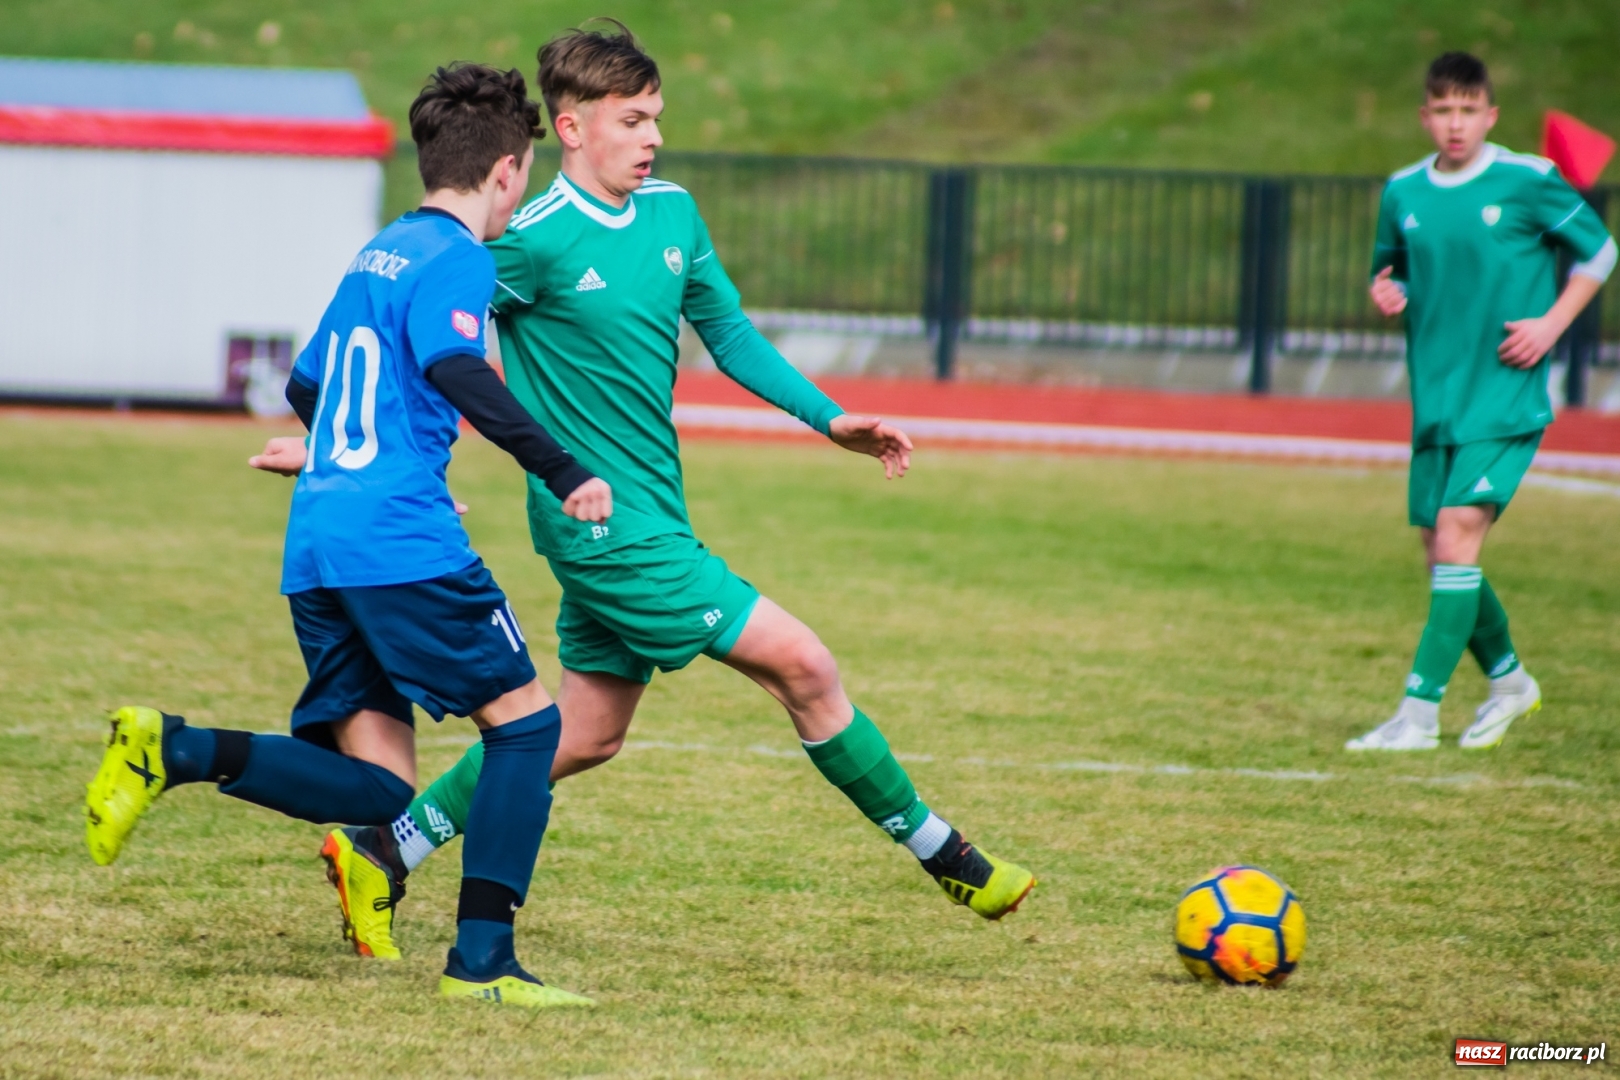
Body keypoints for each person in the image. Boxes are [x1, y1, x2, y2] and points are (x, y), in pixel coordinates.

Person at [321, 20, 1036, 960]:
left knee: (579, 734)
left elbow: (729, 335)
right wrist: (358, 447)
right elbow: (431, 341)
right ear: (570, 130)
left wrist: (831, 420)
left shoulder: (674, 215)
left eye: (657, 116)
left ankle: (385, 849)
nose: (653, 137)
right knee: (806, 666)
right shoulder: (525, 244)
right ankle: (948, 855)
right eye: (632, 119)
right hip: (600, 526)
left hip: (655, 511)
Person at [83, 63, 609, 1008]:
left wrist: (330, 450)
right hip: (398, 543)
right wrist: (564, 468)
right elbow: (457, 368)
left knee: (379, 791)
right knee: (530, 729)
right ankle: (484, 964)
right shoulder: (458, 257)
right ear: (506, 171)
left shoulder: (385, 247)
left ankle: (173, 749)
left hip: (321, 540)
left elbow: (311, 385)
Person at [1346, 52, 1614, 752]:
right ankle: (1510, 683)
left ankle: (1417, 715)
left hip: (1505, 387)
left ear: (1489, 114)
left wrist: (1552, 324)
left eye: (1468, 110)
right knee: (1441, 551)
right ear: (1425, 116)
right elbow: (1389, 272)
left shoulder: (1527, 179)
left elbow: (1600, 251)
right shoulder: (1403, 190)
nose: (1455, 123)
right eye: (1443, 110)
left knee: (1459, 530)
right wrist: (1386, 294)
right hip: (1438, 394)